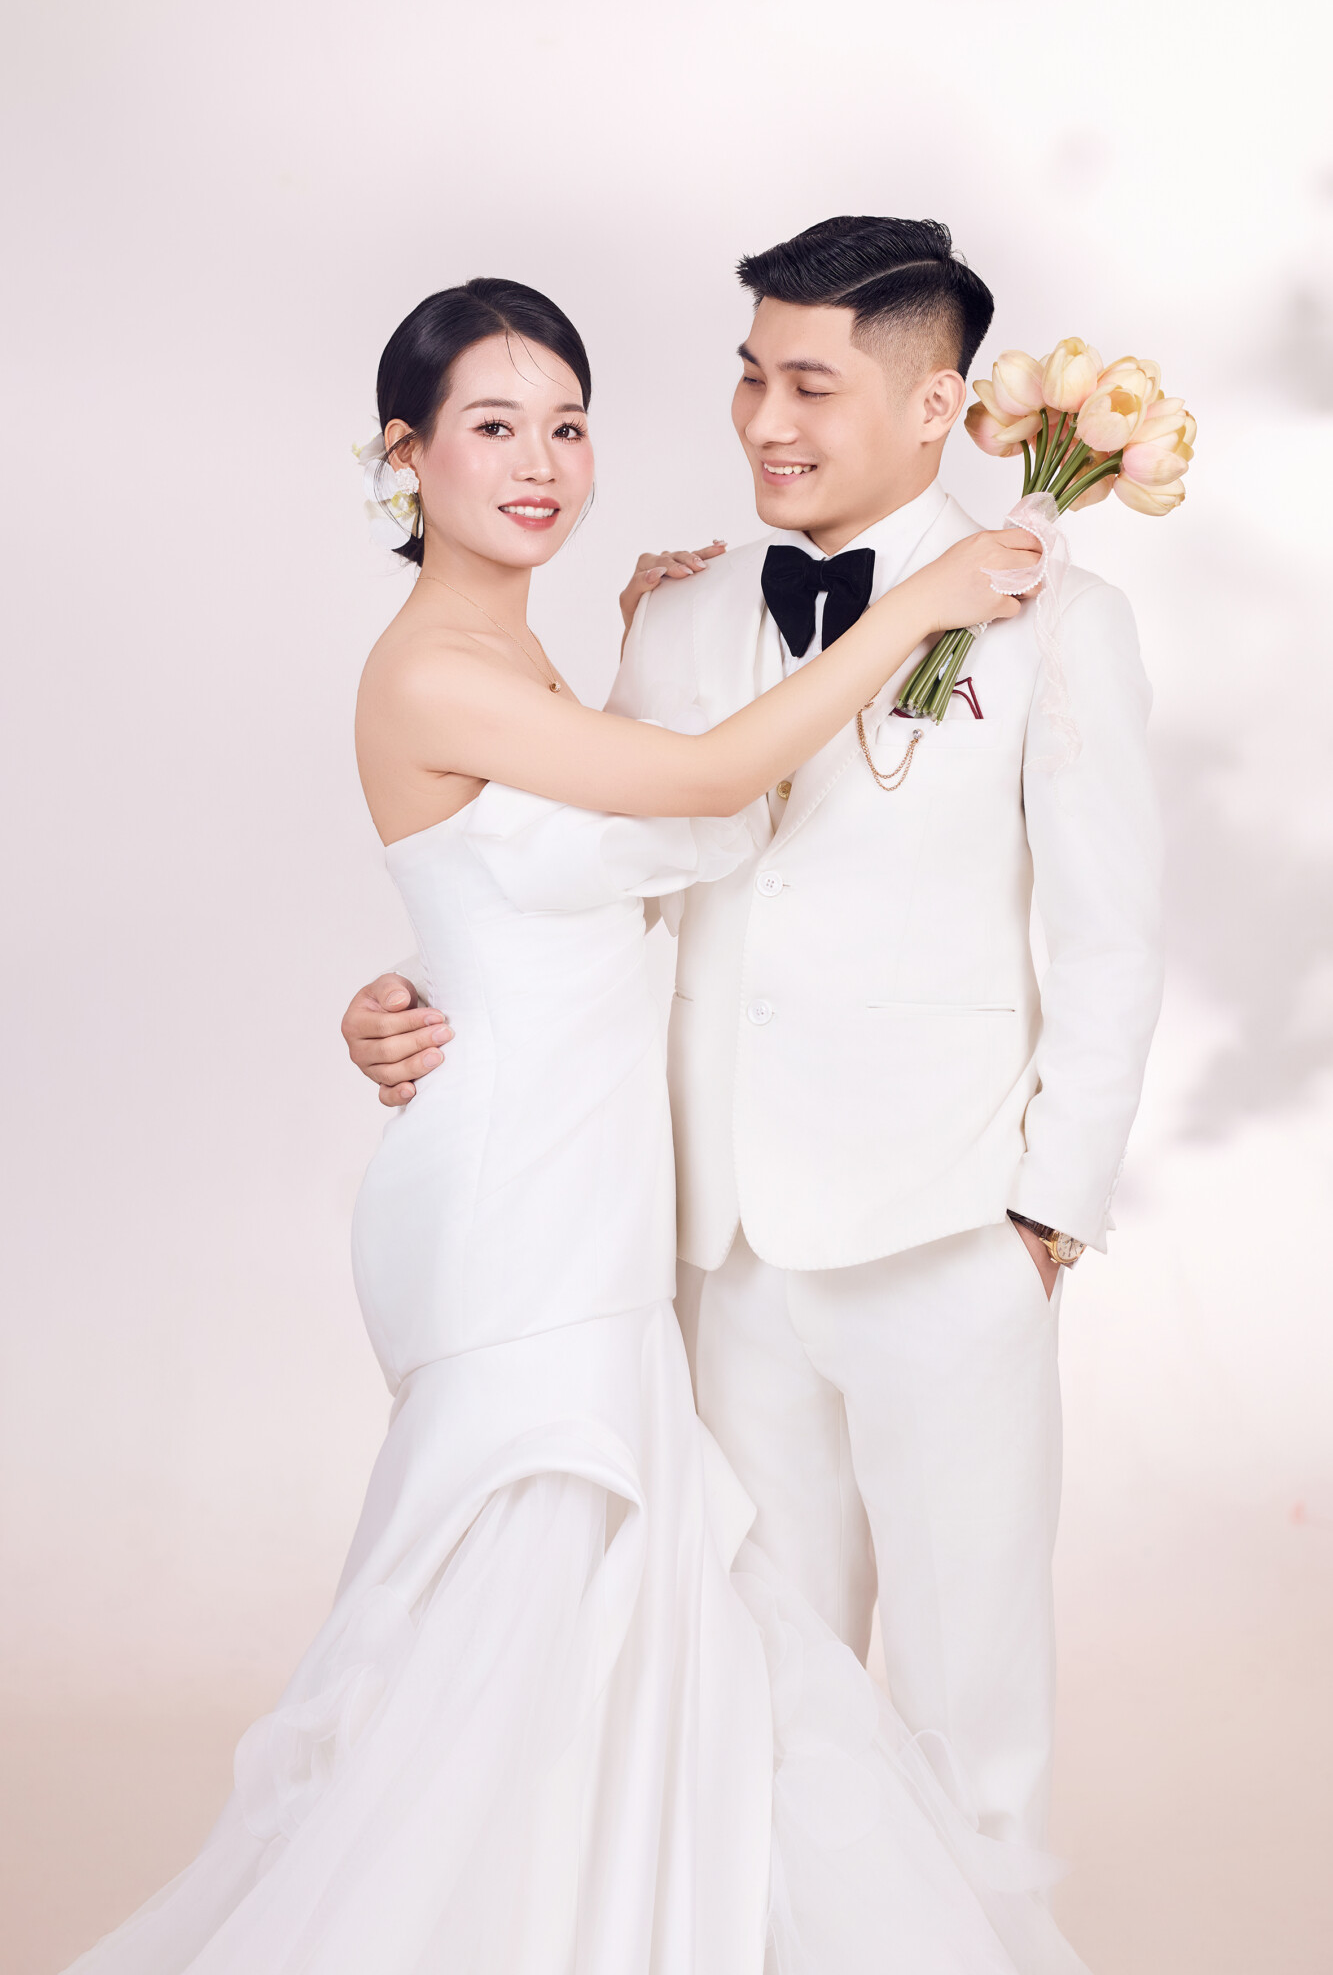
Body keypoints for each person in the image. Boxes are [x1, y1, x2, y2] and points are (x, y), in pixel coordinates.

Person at [61, 279, 1091, 1974]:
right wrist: (918, 608)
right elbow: (696, 790)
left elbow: (541, 885)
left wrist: (429, 951)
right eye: (492, 426)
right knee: (521, 1591)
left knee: (610, 1621)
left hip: (595, 1190)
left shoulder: (524, 652)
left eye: (567, 424)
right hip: (512, 1213)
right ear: (404, 456)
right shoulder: (427, 668)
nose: (540, 462)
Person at [345, 219, 1165, 1857]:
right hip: (708, 1248)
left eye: (809, 385)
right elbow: (595, 866)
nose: (764, 424)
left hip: (947, 1228)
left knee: (971, 1716)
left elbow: (1111, 937)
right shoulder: (676, 615)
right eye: (746, 379)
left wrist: (1044, 1219)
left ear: (933, 408)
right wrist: (416, 987)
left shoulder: (1057, 617)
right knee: (755, 1709)